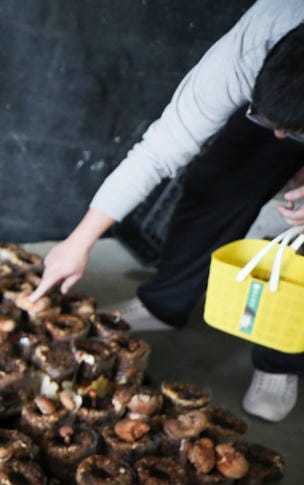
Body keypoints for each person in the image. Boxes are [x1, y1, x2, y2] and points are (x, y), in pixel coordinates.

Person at [31, 0, 304, 422]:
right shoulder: (259, 38)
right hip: (279, 91)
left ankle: (280, 360)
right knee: (214, 184)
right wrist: (79, 241)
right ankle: (165, 302)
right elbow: (159, 150)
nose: (284, 136)